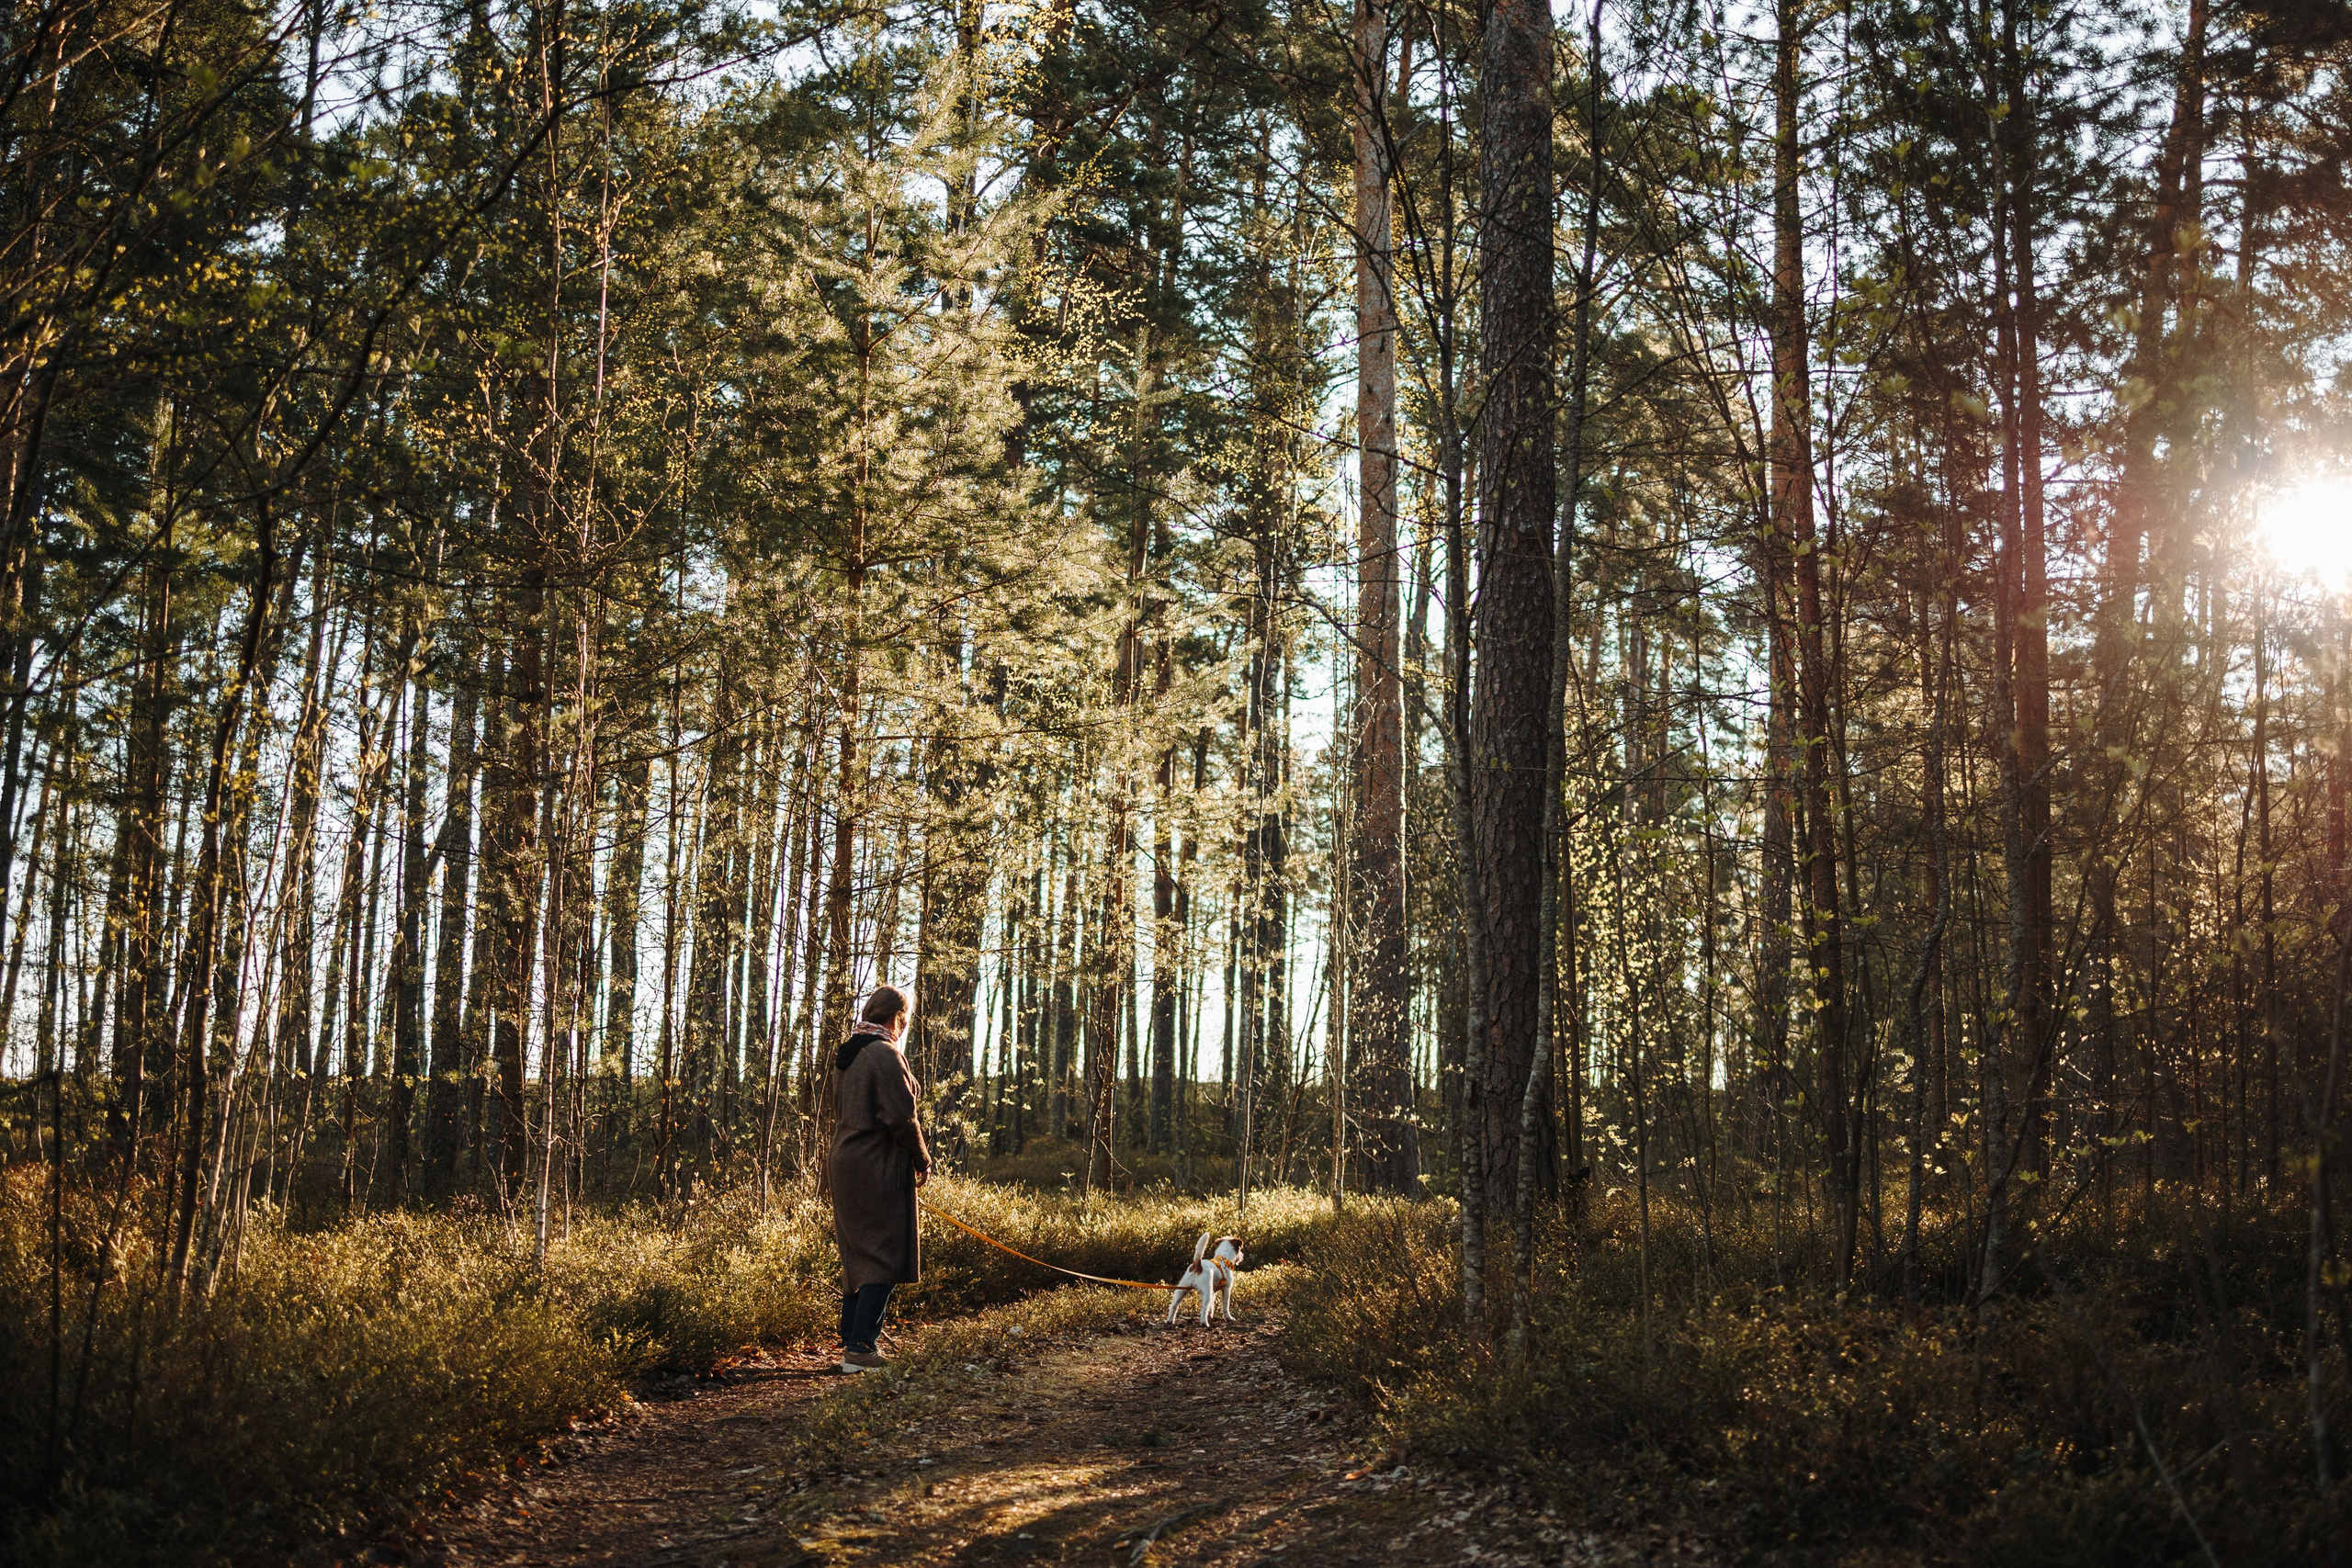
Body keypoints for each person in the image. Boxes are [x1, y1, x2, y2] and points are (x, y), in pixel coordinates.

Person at [829, 984, 930, 1372]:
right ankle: (860, 1348)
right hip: (874, 1164)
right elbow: (902, 1118)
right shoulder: (884, 1054)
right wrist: (921, 1159)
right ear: (894, 1017)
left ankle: (851, 1343)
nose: (903, 1029)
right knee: (883, 1253)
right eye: (903, 1021)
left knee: (860, 1252)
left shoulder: (849, 1052)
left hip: (845, 1160)